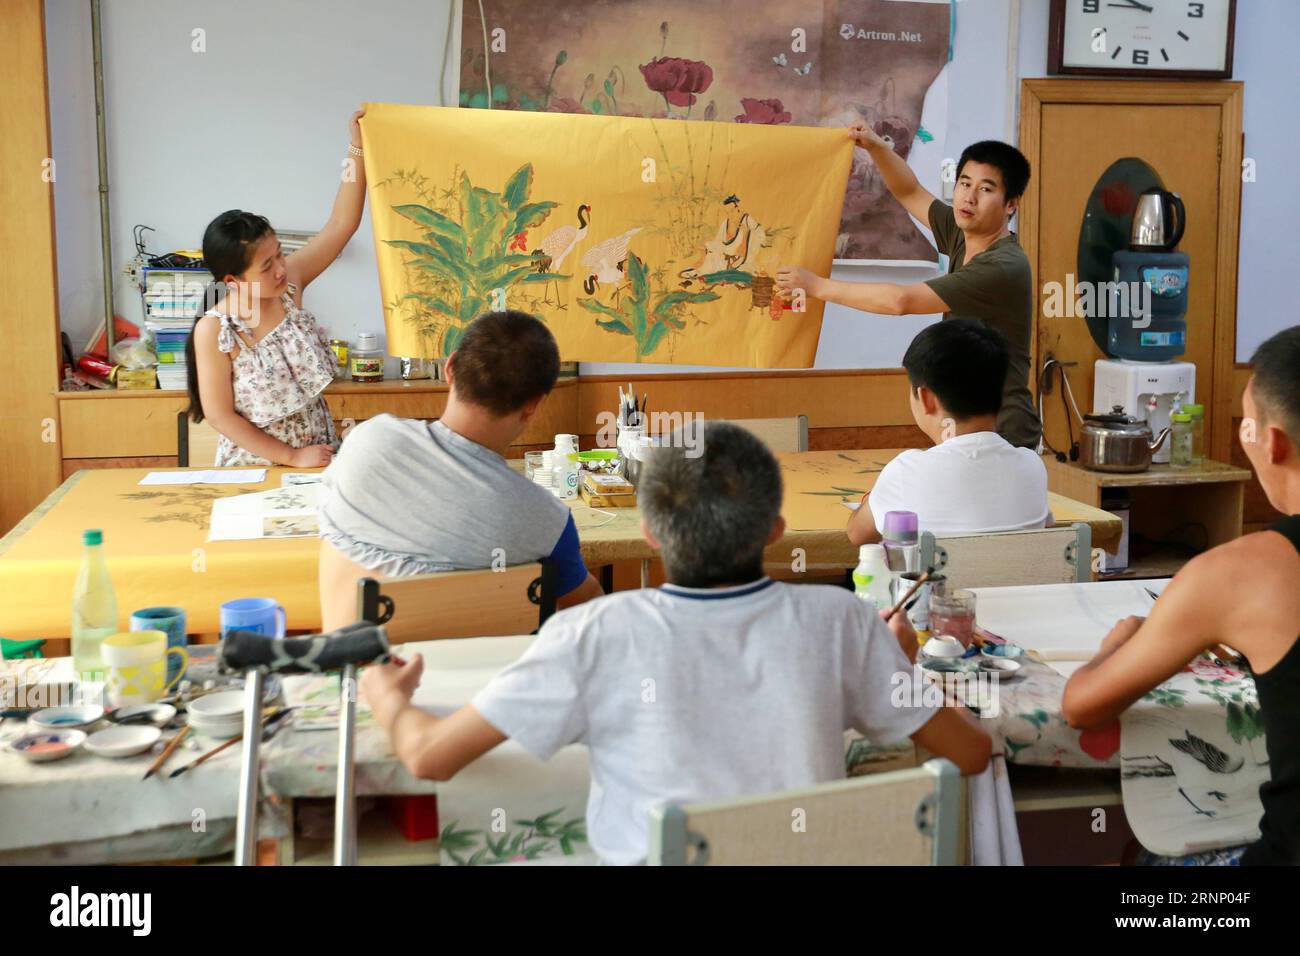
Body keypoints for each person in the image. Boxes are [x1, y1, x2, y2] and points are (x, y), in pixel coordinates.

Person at [360, 422, 992, 865]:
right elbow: (968, 753)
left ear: (649, 535)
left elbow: (429, 757)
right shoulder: (845, 622)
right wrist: (899, 665)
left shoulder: (592, 633)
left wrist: (386, 697)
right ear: (775, 530)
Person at [1063, 325, 1300, 866]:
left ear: (1274, 443)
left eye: (1246, 428)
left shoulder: (1241, 573)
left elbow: (1083, 706)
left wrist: (1118, 643)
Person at [317, 311, 603, 628]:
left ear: (450, 367)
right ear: (534, 404)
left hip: (357, 671)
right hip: (489, 677)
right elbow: (588, 609)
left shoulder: (367, 441)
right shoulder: (546, 520)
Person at [777, 130, 1040, 449]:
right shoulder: (963, 233)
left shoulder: (1002, 266)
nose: (969, 197)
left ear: (1011, 204)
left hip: (1003, 429)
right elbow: (909, 190)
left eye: (985, 189)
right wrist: (877, 146)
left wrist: (816, 285)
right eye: (965, 183)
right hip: (964, 418)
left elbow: (900, 301)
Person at [184, 110, 368, 468]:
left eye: (279, 255)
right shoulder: (216, 330)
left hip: (319, 458)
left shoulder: (290, 286)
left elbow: (341, 225)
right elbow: (220, 416)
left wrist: (357, 149)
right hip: (256, 467)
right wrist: (291, 456)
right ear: (233, 281)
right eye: (266, 266)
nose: (281, 269)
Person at [847, 319, 1048, 545]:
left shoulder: (905, 472)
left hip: (926, 582)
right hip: (1024, 582)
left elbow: (857, 535)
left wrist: (873, 499)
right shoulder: (1032, 467)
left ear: (926, 398)